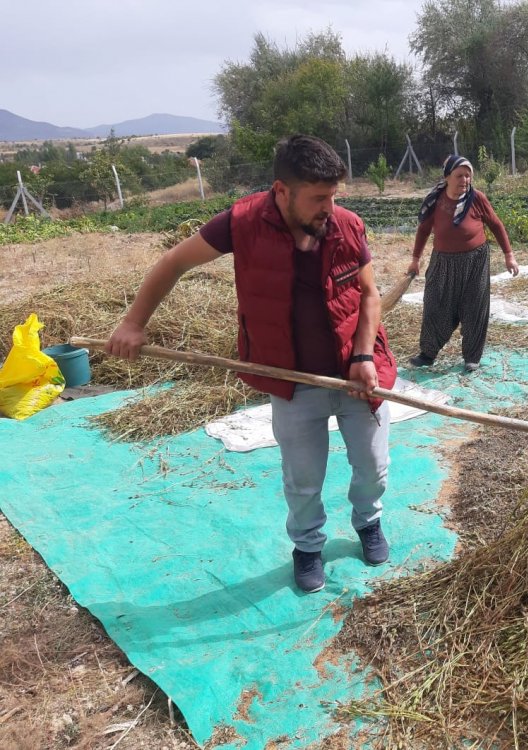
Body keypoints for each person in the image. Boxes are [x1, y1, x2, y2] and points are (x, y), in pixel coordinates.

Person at [105, 134, 396, 594]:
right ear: (282, 191)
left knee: (374, 467)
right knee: (302, 479)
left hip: (356, 373)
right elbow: (173, 262)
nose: (330, 207)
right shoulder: (241, 223)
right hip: (292, 381)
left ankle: (369, 522)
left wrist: (363, 357)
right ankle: (307, 547)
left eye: (334, 195)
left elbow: (369, 295)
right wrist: (133, 323)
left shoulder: (346, 225)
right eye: (319, 197)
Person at [407, 155, 518, 372]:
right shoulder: (436, 200)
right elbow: (423, 230)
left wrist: (509, 255)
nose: (464, 180)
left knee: (474, 306)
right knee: (434, 304)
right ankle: (428, 354)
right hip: (443, 263)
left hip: (474, 262)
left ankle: (471, 357)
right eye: (459, 175)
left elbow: (496, 225)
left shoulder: (477, 198)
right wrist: (415, 259)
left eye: (468, 175)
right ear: (447, 177)